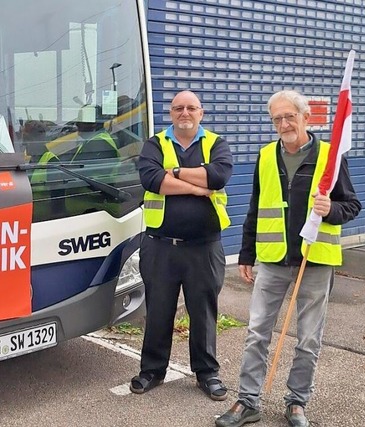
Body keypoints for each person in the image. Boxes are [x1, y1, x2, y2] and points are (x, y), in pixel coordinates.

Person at [215, 90, 361, 427]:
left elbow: (352, 205)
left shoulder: (330, 155)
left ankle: (297, 402)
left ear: (305, 117)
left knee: (308, 338)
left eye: (289, 116)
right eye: (277, 118)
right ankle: (248, 402)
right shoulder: (266, 156)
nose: (283, 123)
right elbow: (256, 206)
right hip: (272, 260)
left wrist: (331, 209)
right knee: (256, 333)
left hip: (315, 260)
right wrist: (247, 253)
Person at [131, 90, 233, 400]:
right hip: (160, 245)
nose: (184, 113)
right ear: (171, 113)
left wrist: (174, 173)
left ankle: (206, 373)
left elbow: (217, 176)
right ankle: (152, 370)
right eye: (178, 108)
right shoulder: (155, 143)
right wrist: (194, 185)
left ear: (201, 113)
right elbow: (151, 179)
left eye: (191, 108)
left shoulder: (216, 143)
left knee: (203, 312)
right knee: (159, 310)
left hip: (204, 247)